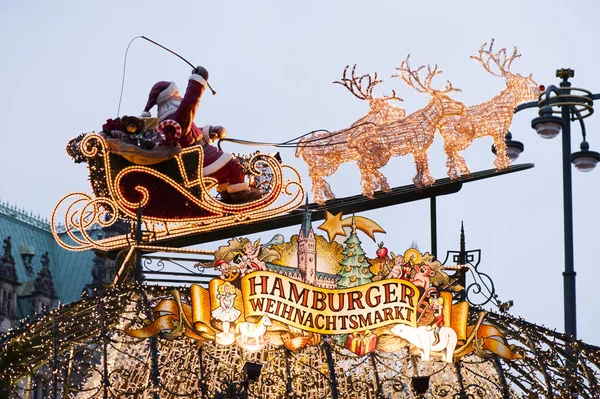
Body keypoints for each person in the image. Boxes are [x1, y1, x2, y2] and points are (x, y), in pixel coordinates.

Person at [141, 66, 262, 204]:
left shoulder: (172, 121)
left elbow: (188, 134)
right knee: (233, 165)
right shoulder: (177, 118)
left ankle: (228, 196)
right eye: (177, 94)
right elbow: (189, 104)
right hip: (198, 157)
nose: (179, 97)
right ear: (171, 98)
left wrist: (209, 132)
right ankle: (240, 196)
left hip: (197, 154)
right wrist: (198, 82)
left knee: (224, 173)